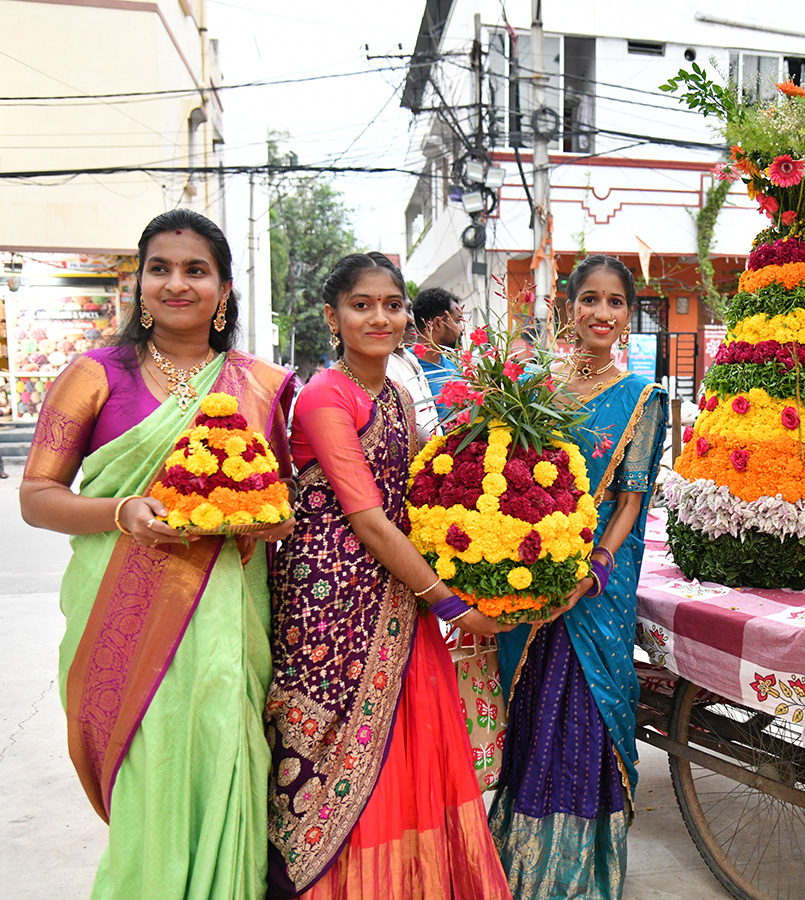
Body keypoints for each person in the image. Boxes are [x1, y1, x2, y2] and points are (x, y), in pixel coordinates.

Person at [19, 208, 297, 899]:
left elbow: (282, 500)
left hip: (230, 621)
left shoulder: (261, 385)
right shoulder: (94, 375)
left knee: (224, 760)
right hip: (124, 617)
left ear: (224, 289)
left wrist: (265, 523)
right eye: (160, 268)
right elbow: (36, 495)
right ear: (138, 284)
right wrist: (123, 511)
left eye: (195, 270)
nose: (177, 283)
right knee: (151, 773)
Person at [263, 253, 512, 900]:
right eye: (362, 304)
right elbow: (370, 521)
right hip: (331, 603)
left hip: (399, 591)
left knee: (412, 751)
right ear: (332, 316)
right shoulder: (325, 395)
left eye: (392, 304)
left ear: (408, 315)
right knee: (338, 754)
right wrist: (452, 606)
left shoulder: (400, 395)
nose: (380, 317)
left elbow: (426, 492)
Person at [491, 255, 668, 899]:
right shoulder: (537, 388)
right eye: (589, 299)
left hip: (594, 586)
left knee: (586, 709)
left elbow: (630, 499)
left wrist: (589, 568)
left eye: (615, 302)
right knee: (534, 708)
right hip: (531, 571)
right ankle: (517, 866)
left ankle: (577, 877)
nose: (601, 313)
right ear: (569, 308)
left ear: (628, 314)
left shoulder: (642, 398)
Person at [381, 265, 439, 445]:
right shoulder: (383, 363)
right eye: (397, 308)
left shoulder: (411, 357)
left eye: (409, 309)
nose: (410, 319)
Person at [411, 286, 465, 422]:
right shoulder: (406, 368)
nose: (462, 329)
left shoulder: (453, 368)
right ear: (438, 324)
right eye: (458, 321)